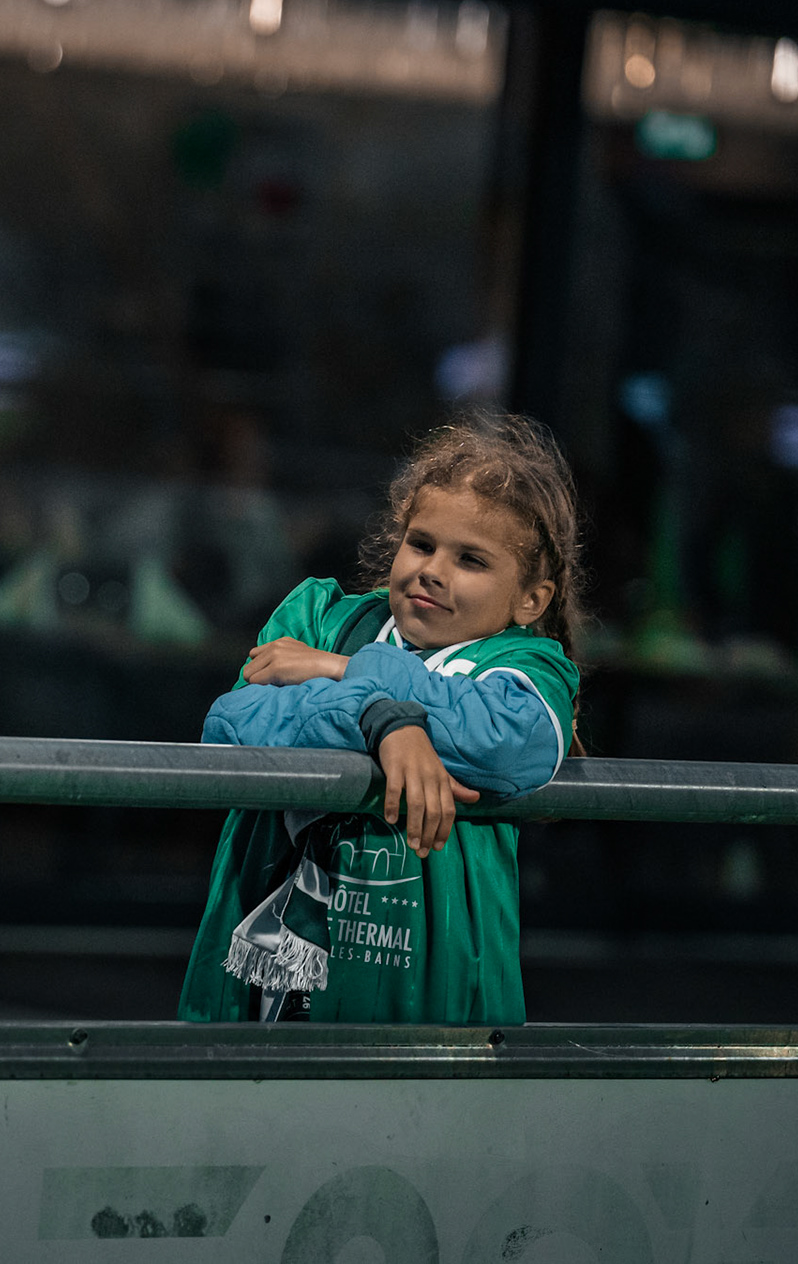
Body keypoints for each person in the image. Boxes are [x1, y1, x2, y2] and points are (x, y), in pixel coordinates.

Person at [179, 409, 582, 1024]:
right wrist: (383, 721)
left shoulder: (530, 664)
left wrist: (343, 673)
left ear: (532, 599)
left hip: (430, 992)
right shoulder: (321, 617)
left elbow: (506, 741)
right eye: (421, 543)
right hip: (262, 979)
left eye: (471, 560)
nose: (433, 570)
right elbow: (235, 723)